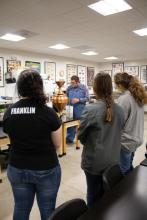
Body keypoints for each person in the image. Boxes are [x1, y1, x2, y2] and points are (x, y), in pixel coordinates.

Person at [3, 69, 62, 220]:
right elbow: (57, 144)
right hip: (45, 167)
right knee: (48, 209)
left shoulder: (10, 111)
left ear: (20, 88)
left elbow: (12, 138)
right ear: (39, 86)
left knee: (21, 208)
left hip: (17, 167)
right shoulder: (48, 112)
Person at [78, 72, 124, 207]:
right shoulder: (120, 109)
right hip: (113, 160)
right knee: (108, 194)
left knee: (93, 194)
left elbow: (81, 135)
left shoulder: (91, 109)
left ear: (95, 88)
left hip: (95, 161)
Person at [114, 72, 147, 174]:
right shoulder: (137, 95)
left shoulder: (124, 99)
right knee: (128, 165)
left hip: (126, 142)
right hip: (135, 138)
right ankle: (131, 184)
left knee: (123, 170)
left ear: (119, 85)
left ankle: (125, 188)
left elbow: (118, 122)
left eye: (115, 84)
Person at [66, 75, 89, 143]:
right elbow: (66, 97)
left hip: (80, 109)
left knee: (81, 125)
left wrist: (79, 100)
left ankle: (82, 139)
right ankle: (69, 139)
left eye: (73, 83)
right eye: (71, 82)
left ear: (78, 82)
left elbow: (88, 98)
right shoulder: (69, 88)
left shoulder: (83, 88)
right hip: (70, 108)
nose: (72, 84)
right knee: (69, 125)